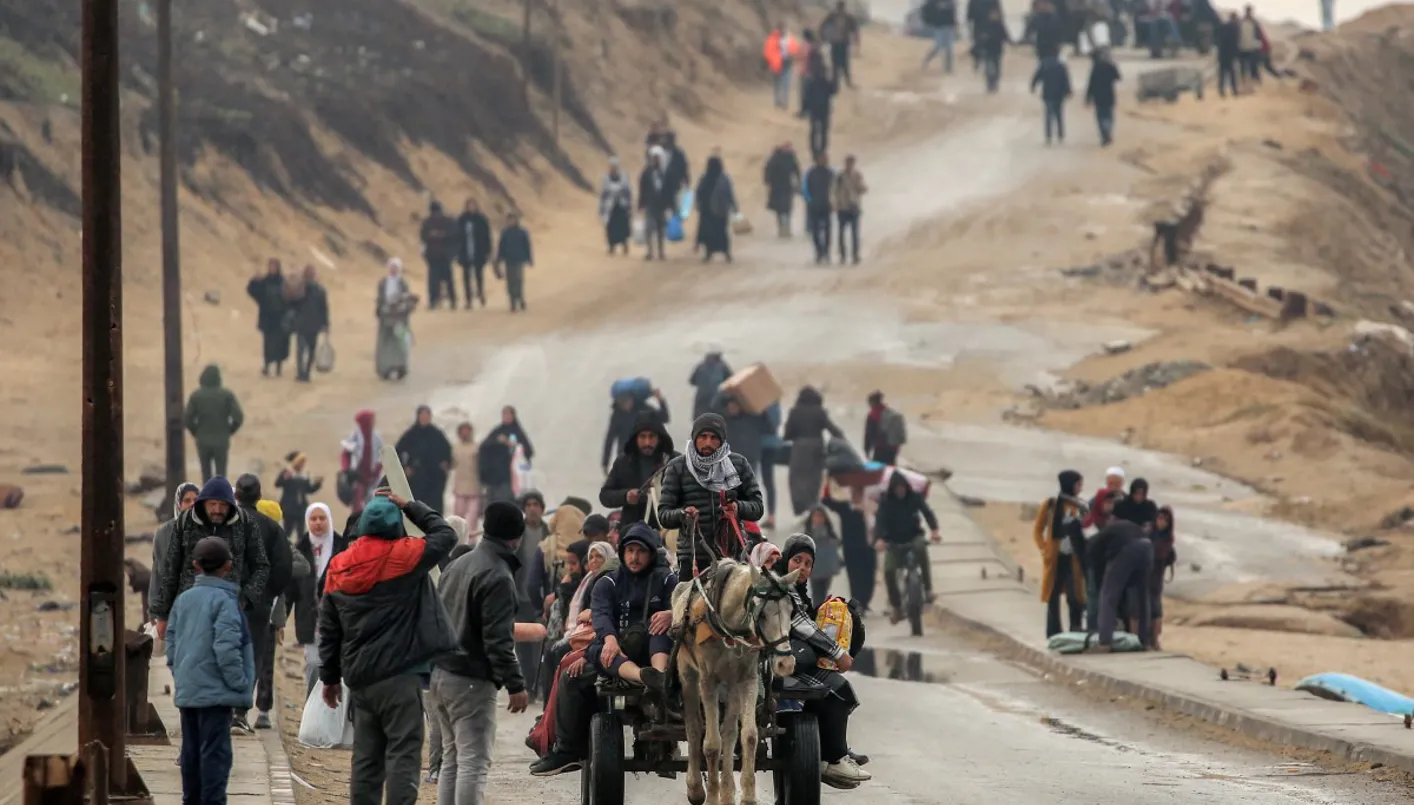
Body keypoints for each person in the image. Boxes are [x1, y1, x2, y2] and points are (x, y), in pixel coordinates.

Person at [318, 491, 458, 805]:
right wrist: (410, 506)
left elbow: (328, 629)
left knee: (365, 759)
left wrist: (329, 678)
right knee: (403, 754)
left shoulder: (339, 566)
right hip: (400, 676)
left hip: (360, 679)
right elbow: (446, 534)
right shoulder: (407, 555)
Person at [530, 524, 676, 776]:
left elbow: (686, 606)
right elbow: (601, 615)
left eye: (641, 551)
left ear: (652, 553)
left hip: (659, 653)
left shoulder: (667, 580)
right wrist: (609, 639)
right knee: (571, 676)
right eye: (630, 550)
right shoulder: (607, 582)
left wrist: (672, 614)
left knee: (659, 629)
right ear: (622, 552)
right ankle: (568, 750)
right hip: (616, 652)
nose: (634, 557)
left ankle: (658, 678)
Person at [432, 501, 530, 805]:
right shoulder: (498, 575)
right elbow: (498, 640)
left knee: (452, 758)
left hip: (441, 673)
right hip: (470, 680)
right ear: (516, 537)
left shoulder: (458, 564)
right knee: (473, 762)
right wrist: (515, 684)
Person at [770, 535, 871, 787]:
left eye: (808, 563)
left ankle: (833, 751)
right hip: (776, 662)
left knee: (836, 688)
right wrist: (838, 653)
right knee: (836, 689)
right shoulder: (779, 587)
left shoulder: (797, 592)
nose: (802, 568)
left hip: (795, 660)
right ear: (786, 559)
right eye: (797, 560)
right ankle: (832, 758)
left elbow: (806, 619)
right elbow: (802, 626)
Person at [165, 537, 255, 805]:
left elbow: (171, 641)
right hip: (216, 694)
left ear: (195, 565)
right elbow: (226, 647)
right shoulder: (225, 601)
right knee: (215, 757)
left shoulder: (183, 600)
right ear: (228, 566)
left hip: (189, 689)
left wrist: (180, 672)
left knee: (190, 754)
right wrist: (239, 682)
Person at [152, 477, 270, 642]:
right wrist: (162, 615)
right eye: (212, 504)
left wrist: (245, 599)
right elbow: (171, 569)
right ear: (204, 503)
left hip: (229, 611)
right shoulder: (186, 523)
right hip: (190, 610)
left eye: (223, 505)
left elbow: (261, 566)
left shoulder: (244, 524)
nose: (217, 510)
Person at [656, 414, 766, 573]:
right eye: (703, 436)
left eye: (714, 438)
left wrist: (738, 507)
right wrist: (683, 515)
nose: (708, 443)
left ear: (722, 440)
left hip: (732, 556)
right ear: (695, 438)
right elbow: (663, 515)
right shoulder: (677, 467)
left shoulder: (739, 464)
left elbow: (758, 508)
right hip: (692, 558)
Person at [234, 475, 293, 733]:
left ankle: (224, 706)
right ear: (259, 497)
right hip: (258, 605)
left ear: (236, 495)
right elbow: (284, 567)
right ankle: (240, 711)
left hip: (226, 599)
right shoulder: (271, 528)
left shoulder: (225, 523)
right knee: (252, 654)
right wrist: (268, 593)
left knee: (225, 650)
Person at [293, 502, 347, 697]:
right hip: (311, 618)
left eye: (322, 518)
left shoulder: (342, 547)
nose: (318, 523)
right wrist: (279, 618)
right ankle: (312, 705)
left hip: (338, 617)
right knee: (314, 664)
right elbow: (290, 587)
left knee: (338, 664)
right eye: (313, 519)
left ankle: (335, 708)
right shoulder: (300, 549)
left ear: (329, 520)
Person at [873, 470, 941, 620]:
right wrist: (880, 539)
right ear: (892, 489)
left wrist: (934, 530)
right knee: (889, 571)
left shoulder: (915, 497)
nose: (900, 490)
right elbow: (880, 522)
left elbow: (927, 513)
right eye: (897, 488)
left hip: (913, 537)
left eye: (902, 487)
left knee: (921, 549)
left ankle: (928, 590)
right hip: (893, 541)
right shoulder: (885, 502)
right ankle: (896, 606)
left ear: (907, 486)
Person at [1032, 470, 1088, 637]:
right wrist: (1044, 549)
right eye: (1078, 484)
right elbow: (1037, 531)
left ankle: (1075, 630)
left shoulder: (1081, 506)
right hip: (1055, 558)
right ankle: (1054, 632)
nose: (1080, 488)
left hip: (1074, 558)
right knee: (1053, 596)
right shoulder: (1051, 505)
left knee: (1075, 596)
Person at [1086, 518, 1154, 650]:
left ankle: (1105, 642)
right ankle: (1145, 642)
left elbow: (1098, 573)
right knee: (1143, 596)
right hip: (1147, 546)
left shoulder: (1092, 546)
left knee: (1107, 596)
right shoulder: (1114, 529)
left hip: (1127, 548)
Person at [600, 411, 678, 526]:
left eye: (652, 436)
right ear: (635, 438)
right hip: (632, 529)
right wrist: (626, 496)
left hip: (667, 528)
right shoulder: (624, 462)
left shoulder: (675, 462)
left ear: (659, 437)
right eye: (643, 436)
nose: (647, 442)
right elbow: (605, 495)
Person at [783, 386, 844, 515]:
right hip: (817, 448)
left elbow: (787, 435)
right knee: (814, 479)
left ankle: (800, 509)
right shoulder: (820, 412)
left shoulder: (794, 412)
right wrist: (843, 442)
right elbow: (833, 430)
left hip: (799, 450)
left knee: (797, 481)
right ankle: (812, 507)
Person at [514, 490, 550, 702]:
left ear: (542, 509)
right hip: (519, 598)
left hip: (540, 600)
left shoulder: (549, 534)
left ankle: (538, 684)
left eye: (536, 504)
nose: (532, 509)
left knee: (539, 646)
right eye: (528, 505)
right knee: (522, 646)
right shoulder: (517, 534)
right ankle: (528, 684)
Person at [184, 365, 244, 482]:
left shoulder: (196, 396)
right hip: (221, 440)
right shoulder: (227, 395)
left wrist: (196, 431)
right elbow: (238, 417)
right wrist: (229, 430)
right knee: (221, 474)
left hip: (203, 439)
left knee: (205, 473)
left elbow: (187, 418)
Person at [150, 483, 200, 623]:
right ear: (179, 505)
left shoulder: (207, 530)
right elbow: (157, 575)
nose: (192, 504)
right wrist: (155, 612)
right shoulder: (163, 534)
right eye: (187, 500)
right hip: (171, 609)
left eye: (196, 500)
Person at [821, 484, 875, 611]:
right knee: (854, 576)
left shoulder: (870, 506)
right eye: (854, 492)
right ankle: (858, 602)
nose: (856, 495)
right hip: (851, 548)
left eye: (859, 492)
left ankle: (865, 601)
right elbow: (826, 501)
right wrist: (828, 483)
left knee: (869, 575)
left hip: (869, 547)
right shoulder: (845, 507)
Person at [396, 405, 454, 510]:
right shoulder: (411, 434)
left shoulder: (437, 433)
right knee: (418, 505)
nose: (425, 418)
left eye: (427, 415)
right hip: (417, 475)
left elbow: (447, 449)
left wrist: (446, 463)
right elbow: (398, 451)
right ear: (418, 416)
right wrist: (405, 467)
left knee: (436, 505)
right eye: (422, 415)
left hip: (435, 475)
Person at [602, 388, 672, 474]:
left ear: (632, 399)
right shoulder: (617, 415)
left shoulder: (645, 409)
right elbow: (610, 438)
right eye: (622, 402)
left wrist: (660, 400)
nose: (625, 404)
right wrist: (605, 462)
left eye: (626, 401)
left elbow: (664, 418)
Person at [479, 406, 533, 504]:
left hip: (510, 477)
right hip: (493, 476)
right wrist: (497, 441)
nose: (507, 417)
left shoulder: (518, 432)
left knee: (504, 503)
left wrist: (513, 445)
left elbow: (528, 451)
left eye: (509, 414)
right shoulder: (497, 431)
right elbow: (484, 447)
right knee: (491, 504)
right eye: (505, 414)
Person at [247, 258, 291, 377]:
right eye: (270, 266)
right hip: (267, 317)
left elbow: (290, 297)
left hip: (280, 318)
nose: (272, 269)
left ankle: (278, 367)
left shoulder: (283, 282)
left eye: (274, 267)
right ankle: (266, 366)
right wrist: (254, 281)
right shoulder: (264, 281)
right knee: (267, 344)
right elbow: (252, 291)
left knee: (280, 344)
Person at [375, 258, 417, 380]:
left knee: (400, 344)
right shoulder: (383, 283)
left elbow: (407, 301)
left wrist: (403, 307)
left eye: (395, 268)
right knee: (386, 343)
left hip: (400, 319)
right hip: (386, 318)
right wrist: (381, 309)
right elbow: (380, 300)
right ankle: (385, 368)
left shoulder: (403, 283)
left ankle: (400, 367)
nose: (393, 270)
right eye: (391, 267)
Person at [289, 265, 330, 382]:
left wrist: (325, 324)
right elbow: (324, 309)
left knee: (304, 350)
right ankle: (304, 372)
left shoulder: (308, 289)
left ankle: (303, 372)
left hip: (306, 324)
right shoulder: (312, 290)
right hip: (309, 325)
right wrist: (325, 325)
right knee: (307, 350)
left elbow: (324, 308)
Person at [339, 409, 384, 515]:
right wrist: (347, 469)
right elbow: (345, 454)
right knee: (357, 506)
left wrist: (377, 471)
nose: (374, 422)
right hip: (357, 476)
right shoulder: (354, 437)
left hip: (372, 477)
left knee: (373, 504)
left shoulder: (377, 437)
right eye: (372, 419)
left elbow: (381, 457)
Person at [693, 156, 737, 264]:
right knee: (718, 233)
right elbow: (730, 194)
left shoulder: (707, 178)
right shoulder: (723, 179)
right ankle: (720, 253)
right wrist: (734, 206)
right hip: (715, 211)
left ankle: (719, 253)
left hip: (713, 211)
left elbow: (699, 193)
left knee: (717, 233)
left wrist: (698, 204)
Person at [421, 200, 460, 310]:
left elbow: (455, 235)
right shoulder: (428, 222)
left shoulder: (447, 222)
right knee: (434, 280)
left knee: (447, 279)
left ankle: (451, 300)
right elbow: (423, 236)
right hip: (434, 255)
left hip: (444, 255)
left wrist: (442, 235)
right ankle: (435, 300)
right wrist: (431, 235)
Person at [275, 452, 322, 538]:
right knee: (287, 531)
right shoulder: (287, 472)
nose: (302, 465)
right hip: (288, 507)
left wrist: (317, 484)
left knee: (301, 533)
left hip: (301, 508)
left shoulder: (304, 475)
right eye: (300, 462)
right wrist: (285, 478)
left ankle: (300, 546)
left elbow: (308, 490)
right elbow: (277, 484)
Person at [638, 147, 673, 261]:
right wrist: (641, 204)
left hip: (661, 205)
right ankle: (649, 252)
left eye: (657, 158)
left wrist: (670, 205)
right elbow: (642, 189)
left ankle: (661, 252)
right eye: (654, 158)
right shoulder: (646, 172)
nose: (655, 160)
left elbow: (669, 190)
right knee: (649, 228)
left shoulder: (665, 173)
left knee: (661, 229)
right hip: (650, 204)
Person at [456, 200, 493, 309]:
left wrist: (488, 251)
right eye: (469, 206)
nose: (471, 208)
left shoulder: (481, 219)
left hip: (479, 252)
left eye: (472, 206)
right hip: (465, 252)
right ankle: (468, 299)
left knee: (479, 275)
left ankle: (480, 293)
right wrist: (457, 252)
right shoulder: (462, 219)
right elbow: (456, 237)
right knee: (466, 277)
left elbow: (487, 236)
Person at [494, 211, 534, 313]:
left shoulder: (522, 232)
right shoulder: (505, 233)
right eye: (509, 220)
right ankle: (512, 302)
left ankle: (520, 298)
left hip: (519, 260)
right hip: (509, 260)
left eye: (512, 219)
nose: (511, 221)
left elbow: (527, 246)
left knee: (518, 281)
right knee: (510, 282)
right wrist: (498, 259)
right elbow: (501, 247)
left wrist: (529, 259)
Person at [831, 154, 867, 265]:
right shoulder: (840, 176)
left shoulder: (857, 175)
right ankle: (843, 255)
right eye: (848, 162)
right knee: (841, 234)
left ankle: (855, 255)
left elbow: (863, 189)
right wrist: (835, 204)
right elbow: (834, 191)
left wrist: (860, 187)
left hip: (854, 207)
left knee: (855, 234)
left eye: (851, 163)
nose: (850, 165)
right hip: (843, 207)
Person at [1149, 506, 1176, 649]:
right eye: (1160, 518)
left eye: (1165, 520)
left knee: (1155, 609)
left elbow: (1162, 554)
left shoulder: (1167, 539)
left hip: (1156, 577)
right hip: (1143, 576)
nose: (1162, 522)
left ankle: (1155, 640)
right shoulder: (1148, 533)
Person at [804, 505, 843, 603]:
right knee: (816, 593)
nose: (818, 519)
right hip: (814, 569)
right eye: (816, 516)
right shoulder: (808, 534)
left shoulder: (829, 532)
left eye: (820, 516)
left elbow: (837, 543)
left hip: (826, 569)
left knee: (824, 591)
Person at [1030, 56, 1073, 145]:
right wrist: (1068, 91)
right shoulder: (1061, 66)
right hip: (1059, 94)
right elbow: (1066, 79)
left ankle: (1048, 135)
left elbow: (1037, 76)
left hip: (1048, 93)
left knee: (1048, 114)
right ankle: (1060, 134)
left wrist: (1033, 86)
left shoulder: (1044, 65)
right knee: (1059, 114)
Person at [1084, 49, 1122, 147]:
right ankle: (1108, 131)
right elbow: (1118, 77)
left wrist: (1087, 98)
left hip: (1098, 96)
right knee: (1109, 116)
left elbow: (1090, 85)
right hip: (1109, 95)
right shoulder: (1110, 66)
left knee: (1100, 117)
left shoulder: (1095, 68)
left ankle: (1104, 135)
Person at [763, 142, 802, 237]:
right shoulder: (775, 158)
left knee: (787, 207)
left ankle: (787, 227)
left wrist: (798, 182)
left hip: (786, 186)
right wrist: (768, 181)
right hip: (777, 187)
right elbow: (768, 170)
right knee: (779, 209)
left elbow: (796, 170)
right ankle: (781, 227)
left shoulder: (790, 157)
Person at [802, 48, 835, 157]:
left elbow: (806, 93)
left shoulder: (810, 76)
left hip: (814, 107)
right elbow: (832, 91)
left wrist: (805, 108)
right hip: (825, 106)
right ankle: (822, 150)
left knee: (814, 130)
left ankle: (814, 151)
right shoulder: (825, 75)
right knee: (824, 130)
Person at [803, 152, 835, 264]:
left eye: (825, 159)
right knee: (815, 231)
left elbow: (835, 189)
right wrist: (809, 200)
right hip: (814, 205)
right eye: (822, 159)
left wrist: (834, 202)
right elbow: (805, 188)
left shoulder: (830, 173)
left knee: (827, 230)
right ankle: (819, 252)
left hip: (826, 205)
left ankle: (826, 252)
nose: (824, 160)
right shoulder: (811, 173)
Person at [821, 2, 861, 87]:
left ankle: (839, 82)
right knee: (841, 63)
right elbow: (855, 29)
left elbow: (823, 27)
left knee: (840, 63)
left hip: (839, 43)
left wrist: (823, 38)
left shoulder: (835, 16)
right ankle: (842, 82)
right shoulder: (843, 16)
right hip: (839, 43)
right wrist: (856, 41)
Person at [599, 157, 634, 256]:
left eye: (614, 167)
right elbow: (603, 194)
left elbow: (628, 192)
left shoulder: (624, 177)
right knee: (611, 228)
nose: (613, 169)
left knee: (623, 227)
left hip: (622, 206)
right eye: (611, 167)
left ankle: (624, 245)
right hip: (610, 207)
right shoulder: (606, 179)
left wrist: (629, 205)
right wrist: (602, 208)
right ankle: (611, 246)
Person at [451, 423, 483, 528]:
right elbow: (451, 464)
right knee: (458, 517)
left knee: (473, 518)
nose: (465, 433)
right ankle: (457, 537)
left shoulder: (477, 447)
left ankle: (472, 538)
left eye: (467, 431)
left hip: (474, 487)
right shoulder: (455, 447)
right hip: (459, 487)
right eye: (463, 431)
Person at [863, 391, 906, 466]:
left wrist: (866, 449)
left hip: (881, 447)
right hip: (893, 447)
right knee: (890, 467)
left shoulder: (873, 415)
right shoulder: (890, 412)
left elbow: (869, 433)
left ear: (872, 402)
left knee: (876, 467)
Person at [975, 7, 1011, 92]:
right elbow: (980, 36)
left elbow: (1005, 35)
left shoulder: (1000, 25)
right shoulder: (985, 25)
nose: (994, 16)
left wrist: (1010, 42)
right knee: (989, 68)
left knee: (997, 68)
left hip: (997, 50)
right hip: (988, 50)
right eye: (993, 14)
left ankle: (995, 83)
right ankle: (990, 84)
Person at [763, 24, 800, 109]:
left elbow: (795, 50)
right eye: (781, 29)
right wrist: (771, 61)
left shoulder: (790, 38)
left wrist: (792, 55)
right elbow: (768, 52)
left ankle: (784, 102)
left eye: (784, 29)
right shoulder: (773, 38)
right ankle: (777, 100)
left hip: (786, 62)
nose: (783, 31)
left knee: (785, 83)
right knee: (777, 83)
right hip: (776, 64)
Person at [689, 351, 733, 420]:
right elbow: (731, 381)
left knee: (700, 421)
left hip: (701, 400)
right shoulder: (723, 366)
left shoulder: (700, 366)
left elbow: (691, 381)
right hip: (717, 400)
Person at [921, 0, 959, 73]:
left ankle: (949, 68)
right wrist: (929, 22)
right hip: (938, 26)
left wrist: (955, 24)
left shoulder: (951, 1)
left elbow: (954, 12)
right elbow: (926, 10)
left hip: (949, 26)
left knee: (949, 48)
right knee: (938, 45)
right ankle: (927, 59)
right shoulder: (933, 2)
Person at [660, 131, 692, 207]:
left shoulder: (678, 153)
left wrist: (687, 181)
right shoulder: (660, 152)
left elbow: (684, 168)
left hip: (675, 186)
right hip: (661, 187)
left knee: (674, 208)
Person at [1216, 11, 1241, 97]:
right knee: (1232, 73)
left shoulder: (1223, 26)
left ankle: (1221, 90)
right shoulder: (1236, 28)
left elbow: (1219, 39)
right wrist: (1237, 54)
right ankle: (1234, 90)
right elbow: (1236, 42)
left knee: (1222, 73)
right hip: (1230, 54)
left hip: (1222, 53)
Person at [1238, 5, 1264, 83]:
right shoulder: (1242, 21)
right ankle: (1244, 80)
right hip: (1243, 47)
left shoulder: (1254, 22)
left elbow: (1259, 35)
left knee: (1253, 66)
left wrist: (1258, 45)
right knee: (1243, 66)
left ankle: (1255, 80)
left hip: (1251, 47)